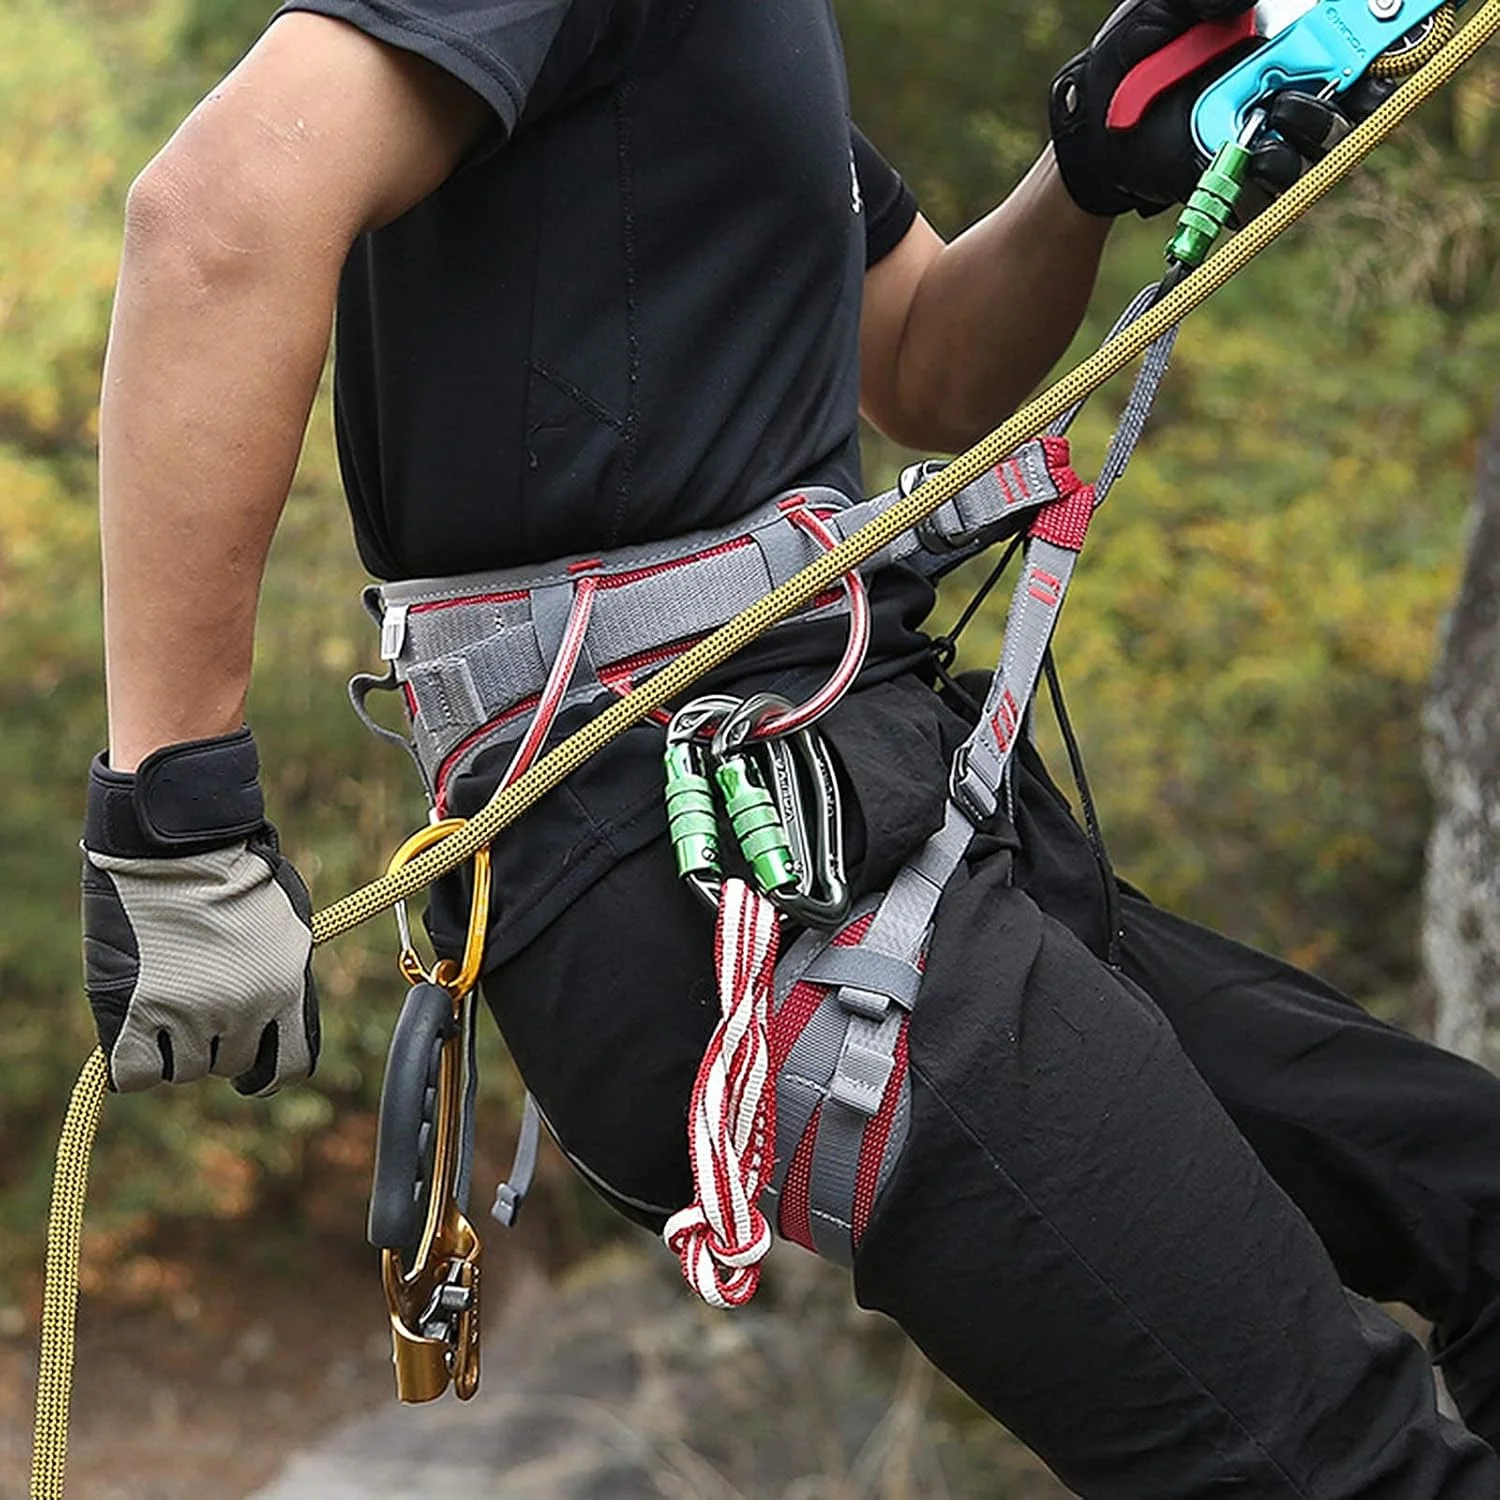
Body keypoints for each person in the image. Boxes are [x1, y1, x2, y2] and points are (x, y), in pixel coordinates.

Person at [78, 0, 1500, 1492]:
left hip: (867, 797)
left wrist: (1083, 170)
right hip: (709, 857)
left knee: (1472, 1199)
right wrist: (178, 822)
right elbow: (217, 215)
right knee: (1351, 1467)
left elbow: (923, 360)